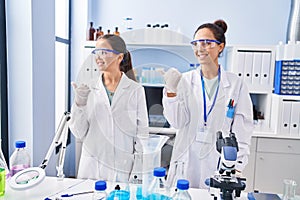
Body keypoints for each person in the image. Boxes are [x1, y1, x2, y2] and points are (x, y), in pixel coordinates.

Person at [163, 19, 253, 188]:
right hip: (186, 159)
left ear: (221, 47)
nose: (200, 48)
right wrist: (171, 92)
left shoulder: (235, 84)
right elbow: (177, 122)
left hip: (219, 160)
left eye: (207, 43)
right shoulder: (185, 81)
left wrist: (237, 166)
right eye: (196, 43)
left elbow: (243, 131)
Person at [69, 34, 149, 182]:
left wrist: (137, 173)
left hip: (124, 169)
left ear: (119, 57)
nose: (98, 57)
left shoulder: (135, 90)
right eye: (96, 52)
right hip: (92, 168)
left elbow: (142, 135)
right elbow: (79, 133)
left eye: (104, 52)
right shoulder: (87, 89)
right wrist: (80, 104)